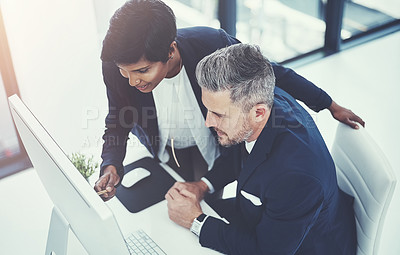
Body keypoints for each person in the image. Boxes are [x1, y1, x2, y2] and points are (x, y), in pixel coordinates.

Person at [94, 0, 364, 200]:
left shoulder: (211, 44)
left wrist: (328, 104)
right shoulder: (118, 65)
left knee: (207, 204)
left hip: (212, 147)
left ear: (170, 50)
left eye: (142, 71)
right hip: (163, 149)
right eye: (124, 72)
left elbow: (271, 73)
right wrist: (111, 163)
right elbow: (118, 118)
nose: (132, 81)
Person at [165, 43, 357, 255]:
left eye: (218, 115)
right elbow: (240, 155)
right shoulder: (259, 100)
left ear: (258, 113)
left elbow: (267, 251)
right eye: (207, 110)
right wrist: (202, 185)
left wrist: (196, 221)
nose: (208, 122)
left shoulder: (296, 177)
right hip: (261, 214)